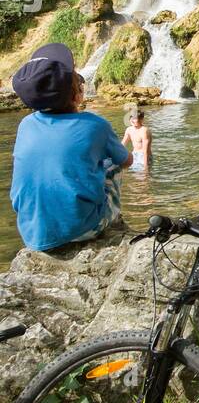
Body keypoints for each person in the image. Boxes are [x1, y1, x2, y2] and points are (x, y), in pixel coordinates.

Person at [10, 42, 132, 252]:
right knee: (112, 164)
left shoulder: (26, 125)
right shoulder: (96, 125)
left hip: (31, 232)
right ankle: (103, 222)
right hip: (81, 230)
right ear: (77, 95)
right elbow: (127, 161)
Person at [122, 105, 152, 174]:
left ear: (141, 119)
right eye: (131, 118)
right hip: (134, 155)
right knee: (135, 177)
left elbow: (145, 151)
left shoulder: (144, 131)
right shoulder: (129, 129)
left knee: (143, 177)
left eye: (135, 118)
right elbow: (122, 145)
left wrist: (146, 167)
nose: (132, 120)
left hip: (144, 156)